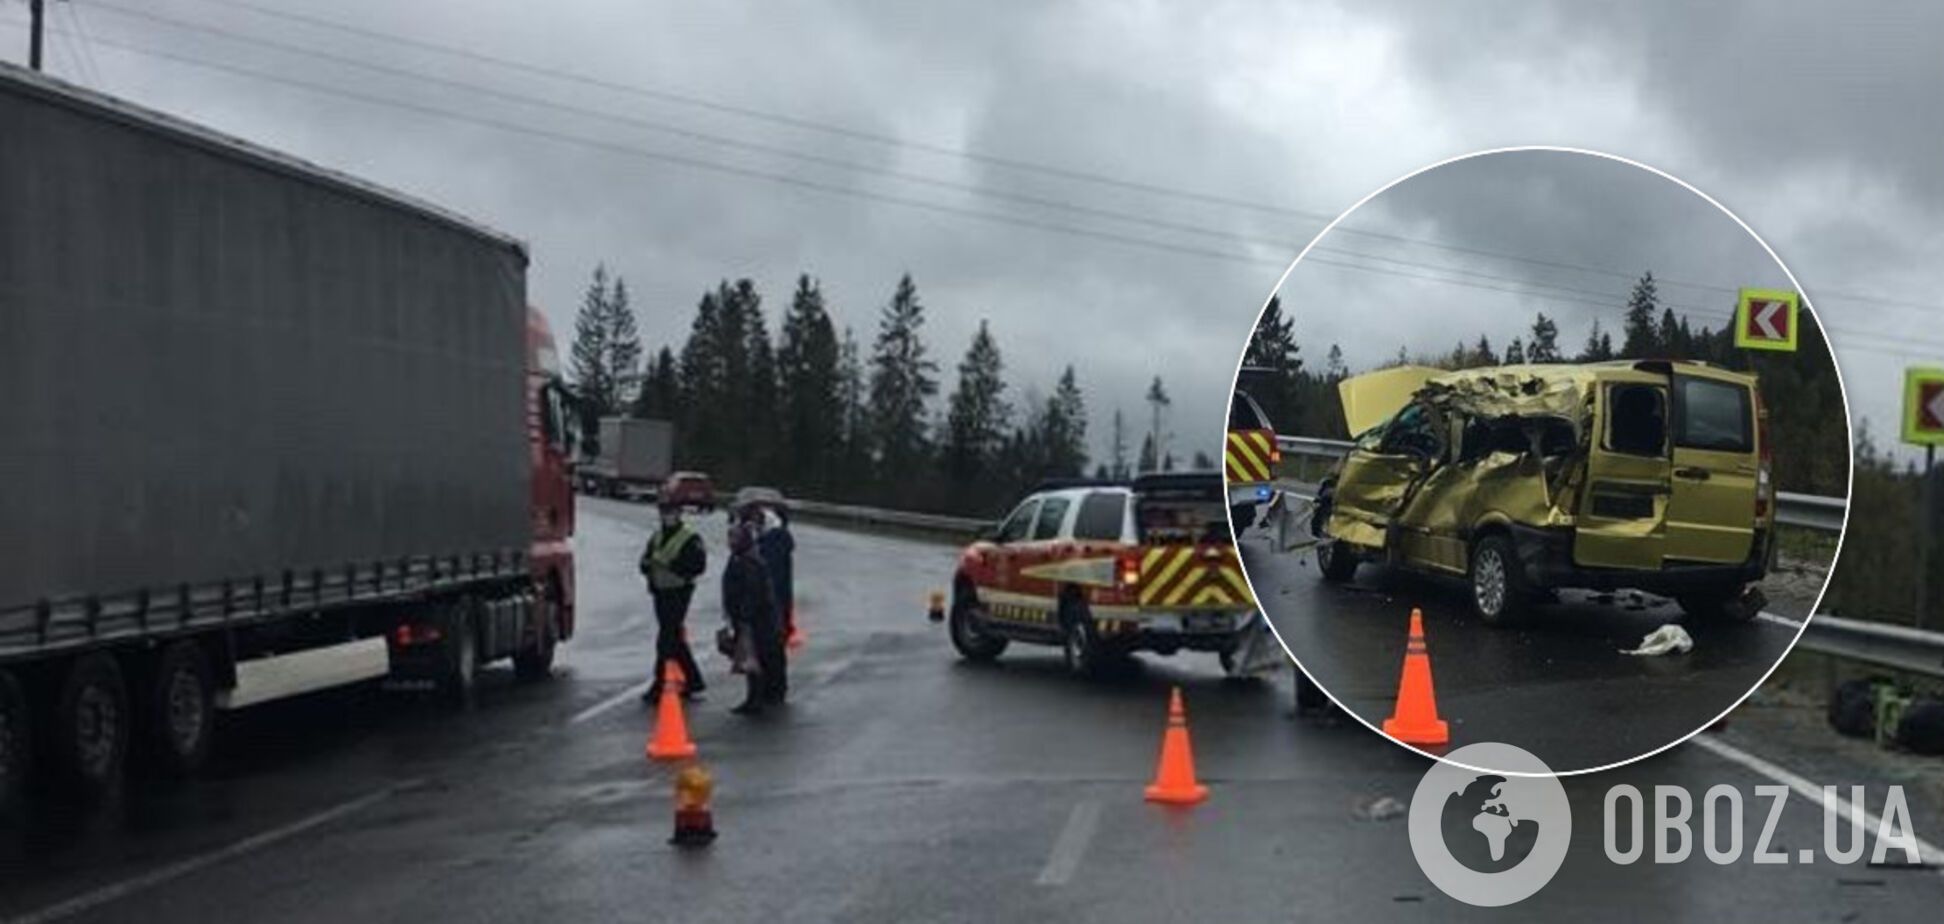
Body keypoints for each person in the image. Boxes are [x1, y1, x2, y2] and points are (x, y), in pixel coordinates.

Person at [640, 500, 707, 703]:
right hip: (660, 592)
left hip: (679, 592)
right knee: (674, 637)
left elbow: (697, 566)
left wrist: (669, 564)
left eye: (671, 512)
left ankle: (658, 685)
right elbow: (644, 561)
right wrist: (647, 565)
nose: (667, 515)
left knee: (666, 638)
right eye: (664, 512)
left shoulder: (690, 538)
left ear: (679, 513)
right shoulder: (657, 536)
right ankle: (694, 680)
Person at [721, 522, 786, 715]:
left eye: (734, 538)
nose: (730, 542)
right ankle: (763, 696)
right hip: (751, 618)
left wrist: (744, 616)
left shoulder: (749, 561)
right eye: (729, 537)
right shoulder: (740, 558)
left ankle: (758, 698)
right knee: (755, 657)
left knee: (754, 657)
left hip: (757, 620)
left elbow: (754, 592)